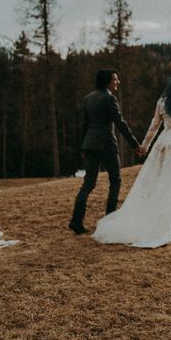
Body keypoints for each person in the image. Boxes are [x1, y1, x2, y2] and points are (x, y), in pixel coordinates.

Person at [92, 72, 171, 248]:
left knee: (163, 180)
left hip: (165, 143)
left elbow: (154, 126)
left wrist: (144, 146)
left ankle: (161, 213)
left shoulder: (162, 102)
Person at [69, 69, 145, 234]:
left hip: (89, 145)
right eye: (115, 79)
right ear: (107, 82)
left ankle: (76, 220)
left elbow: (84, 125)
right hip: (107, 146)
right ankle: (110, 220)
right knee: (115, 181)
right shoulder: (110, 98)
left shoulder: (88, 98)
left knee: (88, 183)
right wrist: (135, 145)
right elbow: (120, 123)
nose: (118, 82)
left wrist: (83, 146)